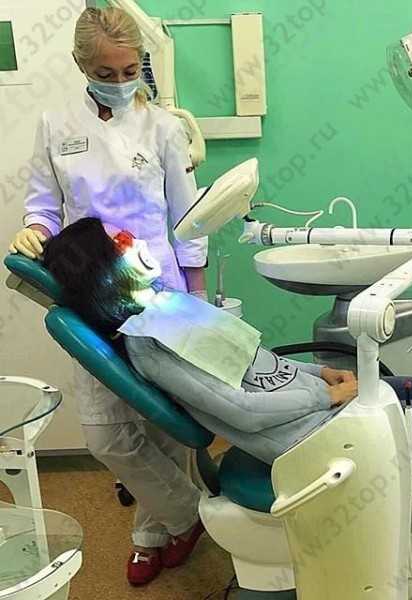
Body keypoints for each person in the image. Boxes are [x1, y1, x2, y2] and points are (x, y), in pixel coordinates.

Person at [43, 217, 412, 481]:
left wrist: (321, 375)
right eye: (121, 243)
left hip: (329, 407)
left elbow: (260, 364)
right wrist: (332, 397)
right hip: (314, 439)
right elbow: (243, 411)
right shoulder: (149, 343)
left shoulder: (169, 309)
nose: (136, 243)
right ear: (103, 272)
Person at [8, 7, 208, 586]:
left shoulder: (163, 128)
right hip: (90, 288)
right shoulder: (55, 125)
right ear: (80, 64)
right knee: (105, 433)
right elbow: (44, 204)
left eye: (129, 71)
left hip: (158, 288)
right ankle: (188, 515)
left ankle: (151, 534)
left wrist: (197, 298)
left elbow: (189, 220)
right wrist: (35, 229)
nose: (120, 82)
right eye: (105, 72)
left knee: (164, 425)